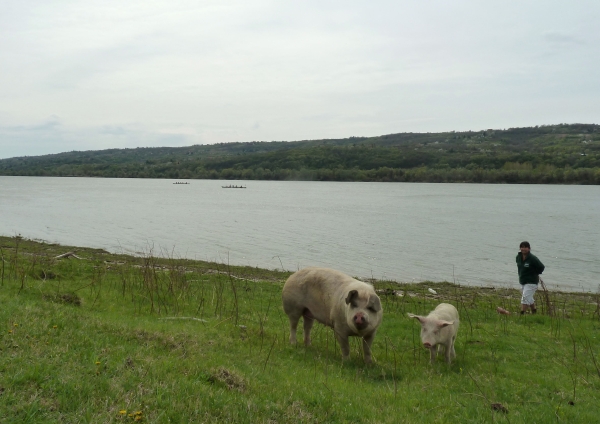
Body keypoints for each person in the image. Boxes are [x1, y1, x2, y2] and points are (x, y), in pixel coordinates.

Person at [516, 241, 545, 315]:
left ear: (529, 248)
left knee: (525, 298)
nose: (523, 249)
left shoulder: (532, 258)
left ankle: (522, 314)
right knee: (529, 298)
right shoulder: (518, 257)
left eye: (525, 247)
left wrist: (535, 273)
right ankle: (534, 311)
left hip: (531, 282)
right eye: (522, 247)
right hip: (523, 280)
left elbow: (541, 267)